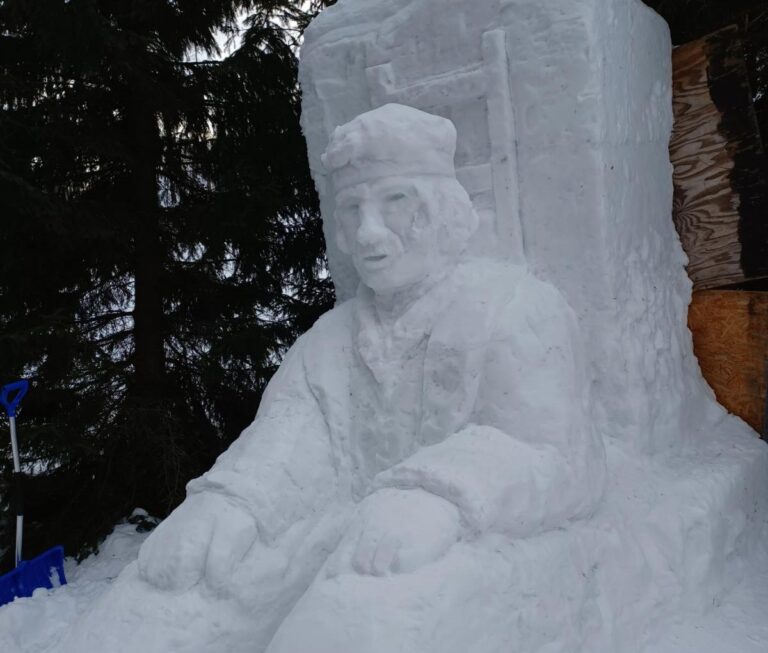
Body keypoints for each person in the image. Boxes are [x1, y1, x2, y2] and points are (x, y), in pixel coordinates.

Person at [137, 103, 605, 649]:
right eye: (352, 209)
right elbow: (291, 433)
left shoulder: (512, 307)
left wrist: (440, 495)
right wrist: (235, 500)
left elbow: (556, 452)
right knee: (171, 605)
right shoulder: (330, 339)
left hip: (458, 536)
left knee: (353, 622)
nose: (368, 233)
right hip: (349, 524)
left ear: (444, 209)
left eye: (395, 202)